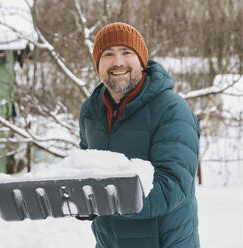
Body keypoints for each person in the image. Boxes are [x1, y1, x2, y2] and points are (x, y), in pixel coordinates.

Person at [78, 22, 200, 248]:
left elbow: (173, 186)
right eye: (108, 54)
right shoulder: (91, 111)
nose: (118, 62)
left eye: (127, 52)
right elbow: (87, 170)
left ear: (141, 61)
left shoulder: (171, 109)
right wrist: (83, 200)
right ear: (97, 64)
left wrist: (104, 201)